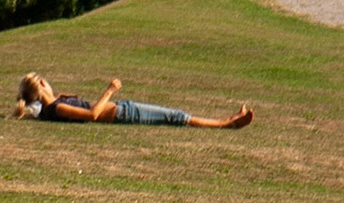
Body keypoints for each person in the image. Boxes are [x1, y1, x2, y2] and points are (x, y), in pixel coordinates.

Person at [11, 74, 252, 128]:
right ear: (41, 85)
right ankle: (226, 123)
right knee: (175, 117)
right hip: (122, 114)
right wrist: (110, 90)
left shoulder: (55, 104)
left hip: (123, 110)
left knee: (175, 115)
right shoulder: (57, 108)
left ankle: (229, 119)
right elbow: (93, 114)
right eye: (45, 80)